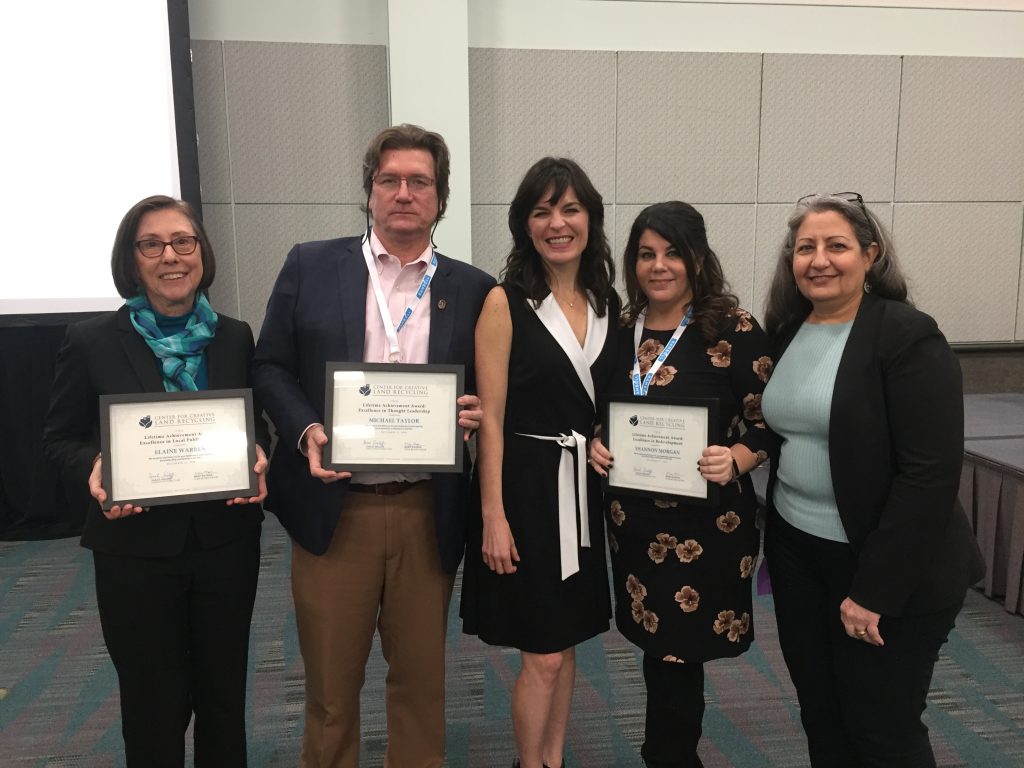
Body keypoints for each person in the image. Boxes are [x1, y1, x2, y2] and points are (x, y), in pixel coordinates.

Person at [252, 124, 494, 768]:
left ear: (441, 199)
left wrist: (477, 408)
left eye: (420, 182)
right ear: (369, 194)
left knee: (421, 684)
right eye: (390, 180)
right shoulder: (311, 263)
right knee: (332, 689)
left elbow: (495, 387)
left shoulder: (472, 289)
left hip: (425, 509)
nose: (404, 194)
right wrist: (307, 429)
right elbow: (269, 365)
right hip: (336, 510)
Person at [42, 195, 269, 766]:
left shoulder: (235, 336)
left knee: (224, 697)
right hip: (134, 551)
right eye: (153, 245)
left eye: (183, 242)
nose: (171, 256)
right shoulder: (92, 340)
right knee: (151, 706)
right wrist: (95, 468)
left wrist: (261, 457)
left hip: (225, 544)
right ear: (132, 259)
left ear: (201, 253)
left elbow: (255, 427)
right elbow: (61, 436)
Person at [760, 192, 985, 767]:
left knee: (882, 727)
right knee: (823, 714)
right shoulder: (787, 331)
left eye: (836, 246)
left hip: (887, 567)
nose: (819, 260)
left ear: (870, 254)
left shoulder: (906, 334)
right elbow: (783, 430)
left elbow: (929, 476)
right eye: (805, 247)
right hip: (799, 557)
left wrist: (875, 590)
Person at [587, 201, 773, 768]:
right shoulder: (619, 329)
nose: (658, 265)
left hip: (708, 526)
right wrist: (597, 440)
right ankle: (666, 753)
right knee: (657, 648)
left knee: (678, 655)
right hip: (636, 526)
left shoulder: (732, 329)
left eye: (672, 252)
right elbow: (600, 409)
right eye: (646, 254)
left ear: (697, 258)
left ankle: (668, 756)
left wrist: (739, 457)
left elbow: (777, 422)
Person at [460, 157, 619, 768]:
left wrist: (605, 436)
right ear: (524, 224)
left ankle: (553, 759)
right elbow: (491, 417)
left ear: (590, 219)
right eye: (542, 210)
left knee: (568, 640)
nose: (558, 223)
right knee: (543, 653)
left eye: (571, 208)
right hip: (525, 492)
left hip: (582, 488)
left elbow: (601, 401)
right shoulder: (505, 302)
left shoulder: (608, 303)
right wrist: (492, 516)